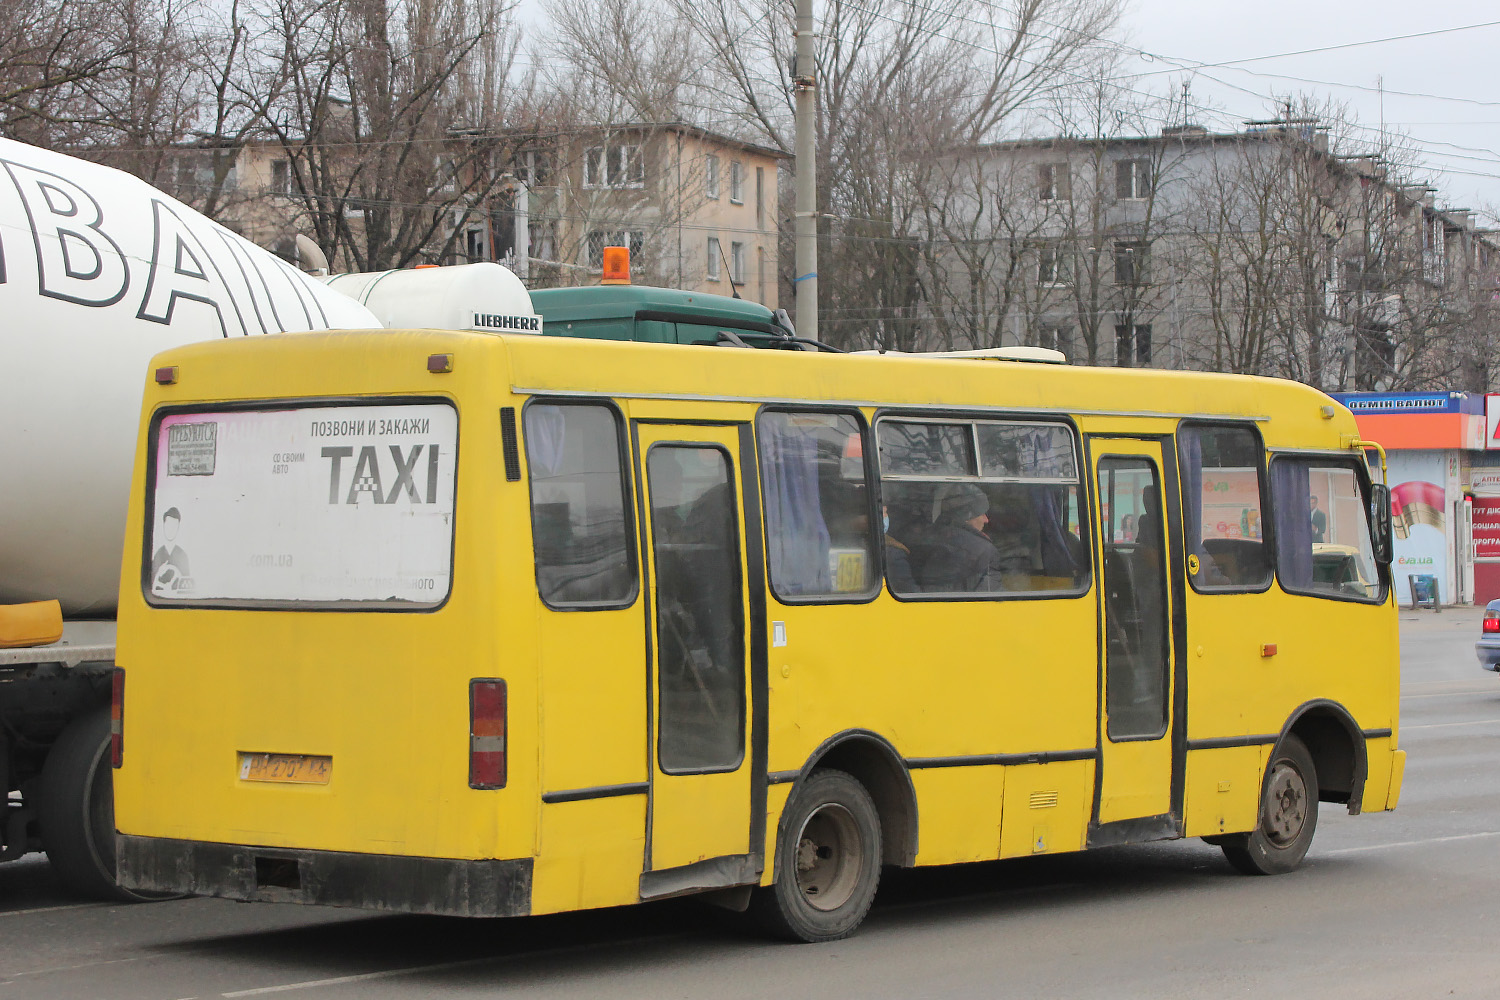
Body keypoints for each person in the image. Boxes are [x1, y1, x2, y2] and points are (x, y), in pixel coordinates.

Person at [915, 484, 1003, 592]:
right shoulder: (984, 550)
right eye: (981, 513)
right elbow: (989, 596)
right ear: (967, 516)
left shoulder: (925, 539)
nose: (986, 520)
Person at [151, 507, 191, 594]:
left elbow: (187, 588)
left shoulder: (182, 556)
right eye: (169, 524)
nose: (171, 529)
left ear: (178, 527)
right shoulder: (157, 555)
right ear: (164, 524)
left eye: (174, 525)